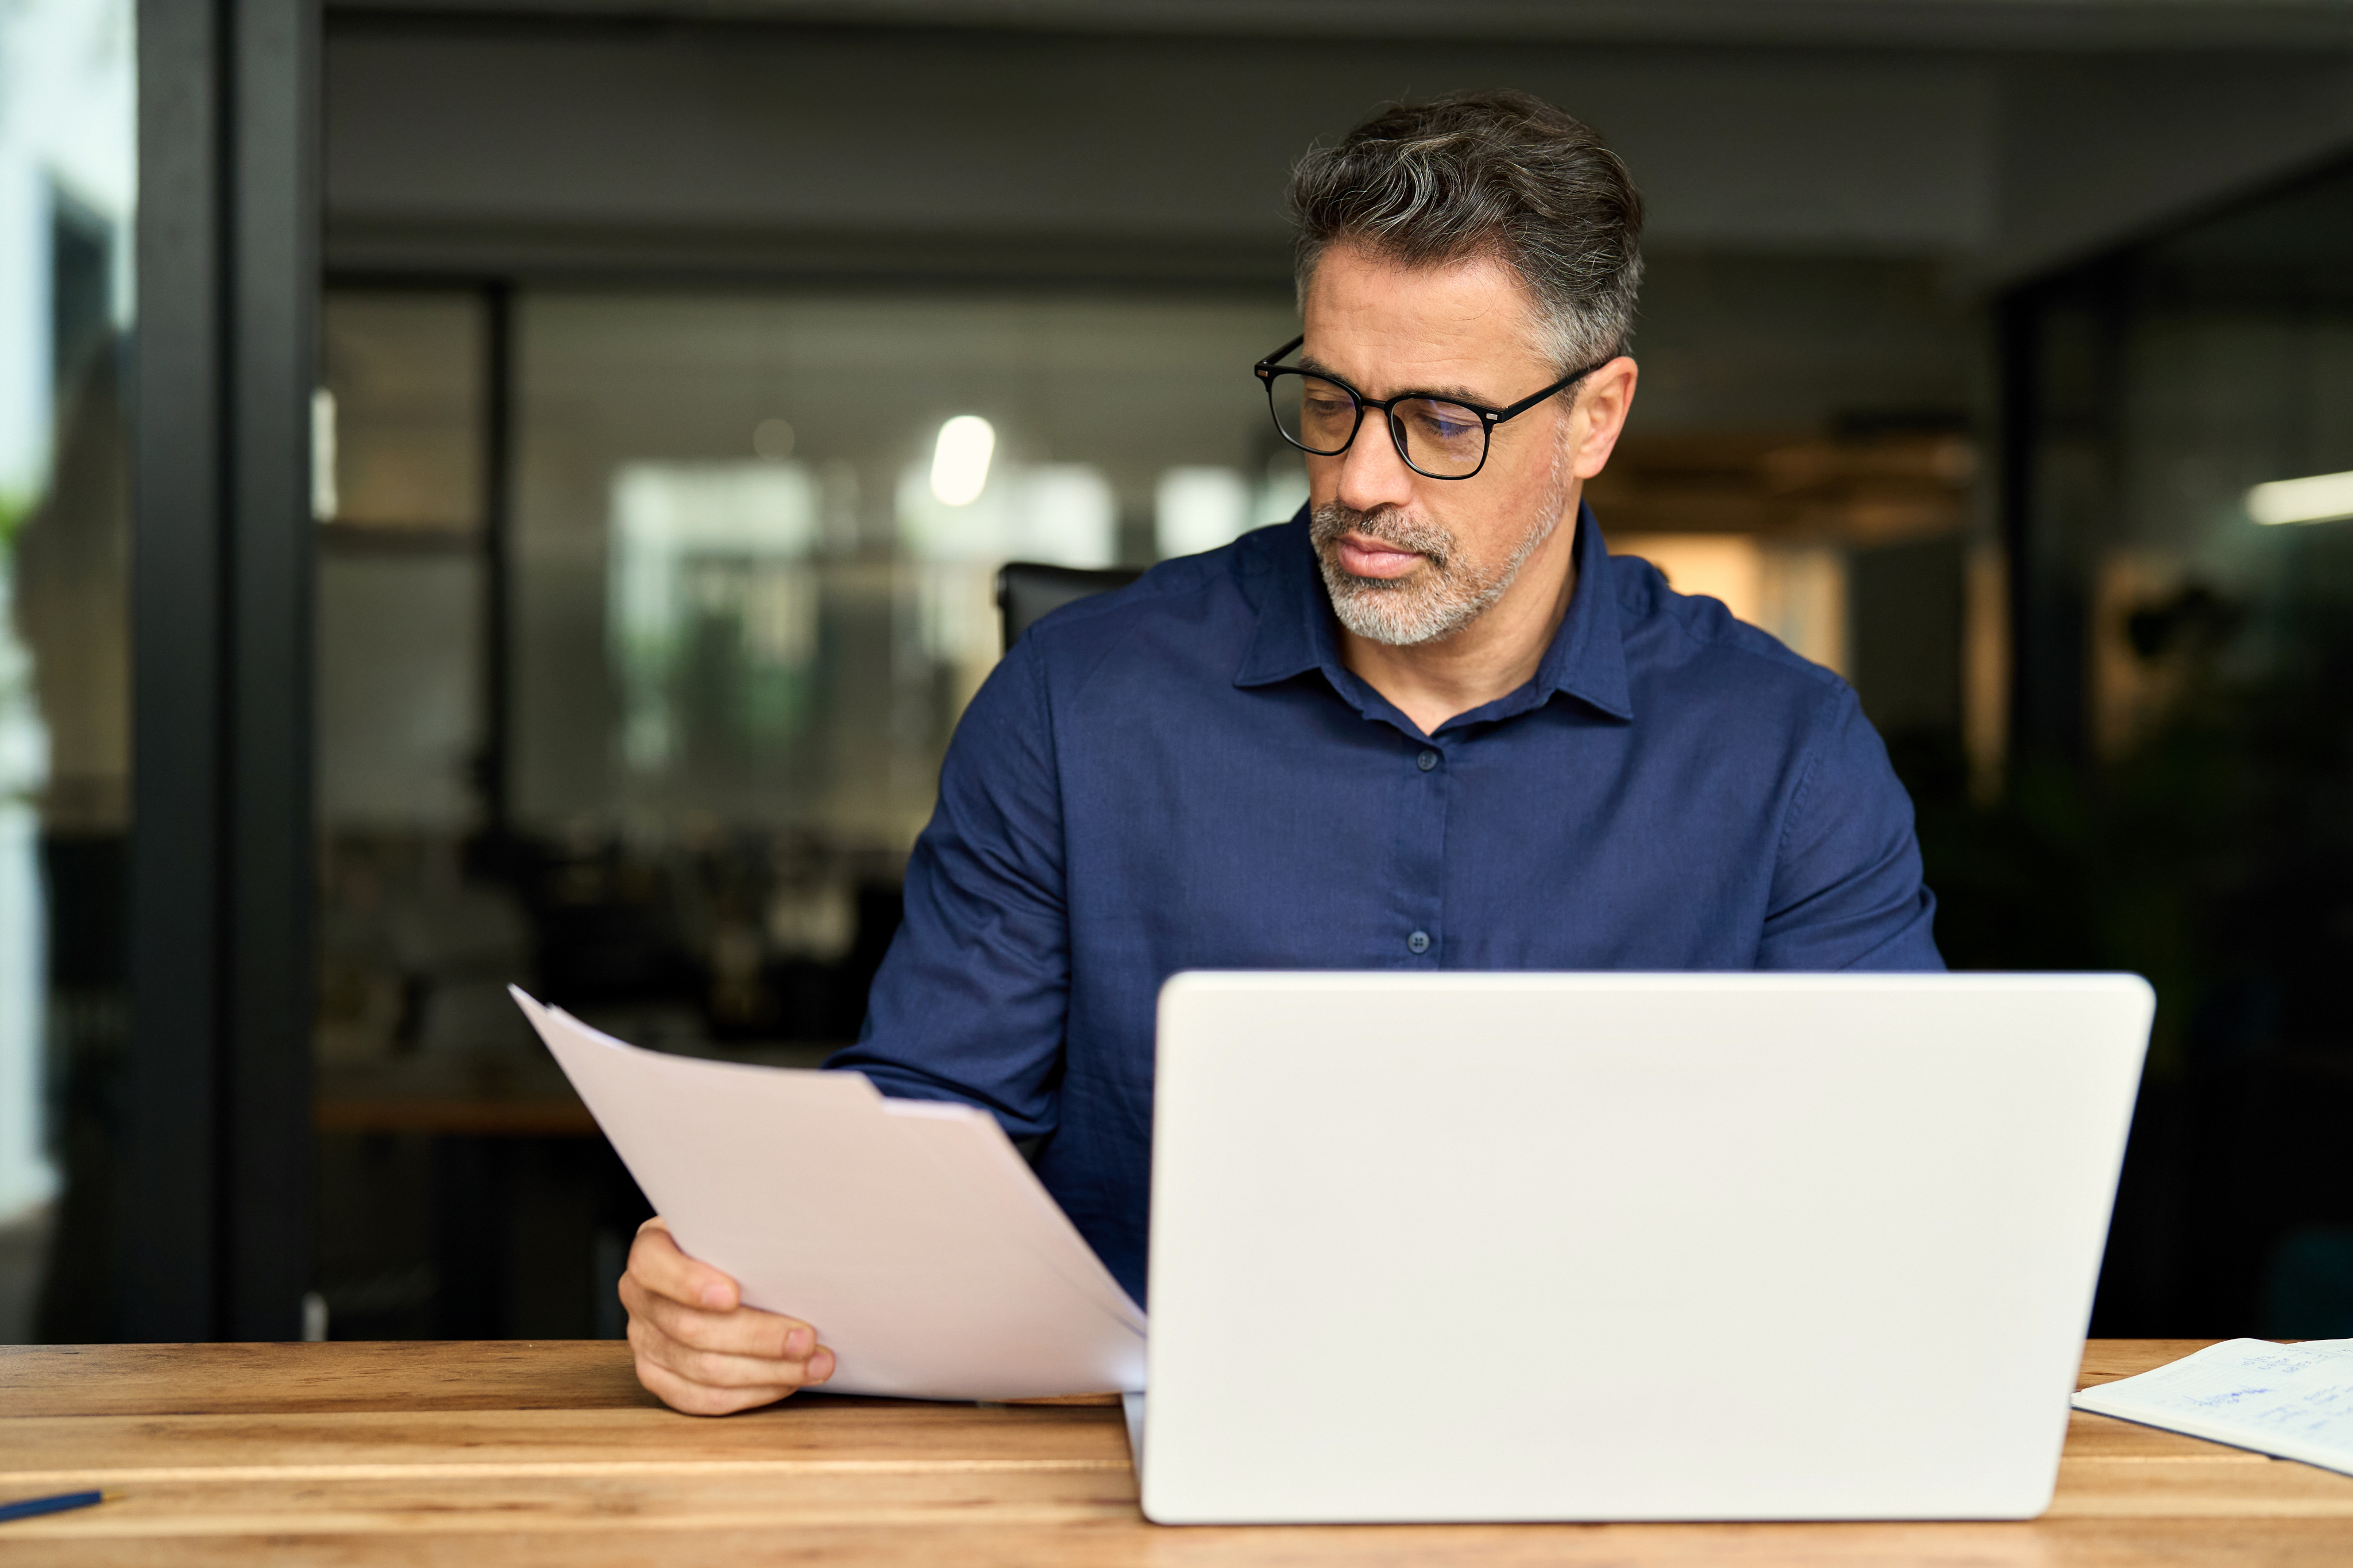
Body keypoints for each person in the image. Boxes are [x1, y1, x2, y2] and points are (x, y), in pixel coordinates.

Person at [620, 89, 1943, 1415]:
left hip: (1627, 1445)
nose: (1361, 479)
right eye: (1327, 398)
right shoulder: (1075, 707)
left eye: (1438, 421)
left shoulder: (1783, 751)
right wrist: (754, 1285)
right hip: (1137, 1460)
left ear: (1594, 416)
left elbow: (1893, 1204)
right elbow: (918, 1134)